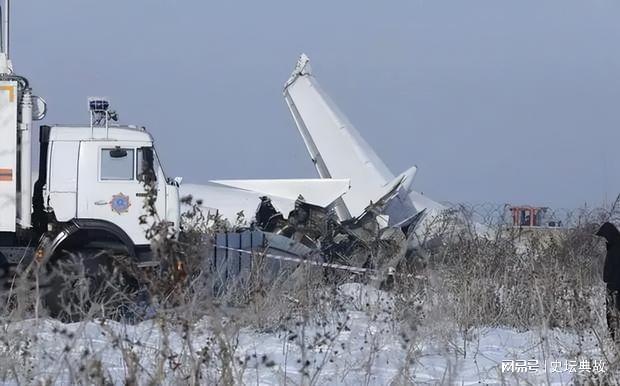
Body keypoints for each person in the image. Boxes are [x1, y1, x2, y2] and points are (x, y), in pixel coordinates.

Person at [596, 222, 620, 340]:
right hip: (615, 285)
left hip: (614, 286)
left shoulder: (614, 248)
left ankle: (614, 338)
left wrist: (607, 278)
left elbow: (608, 271)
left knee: (612, 313)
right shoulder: (614, 245)